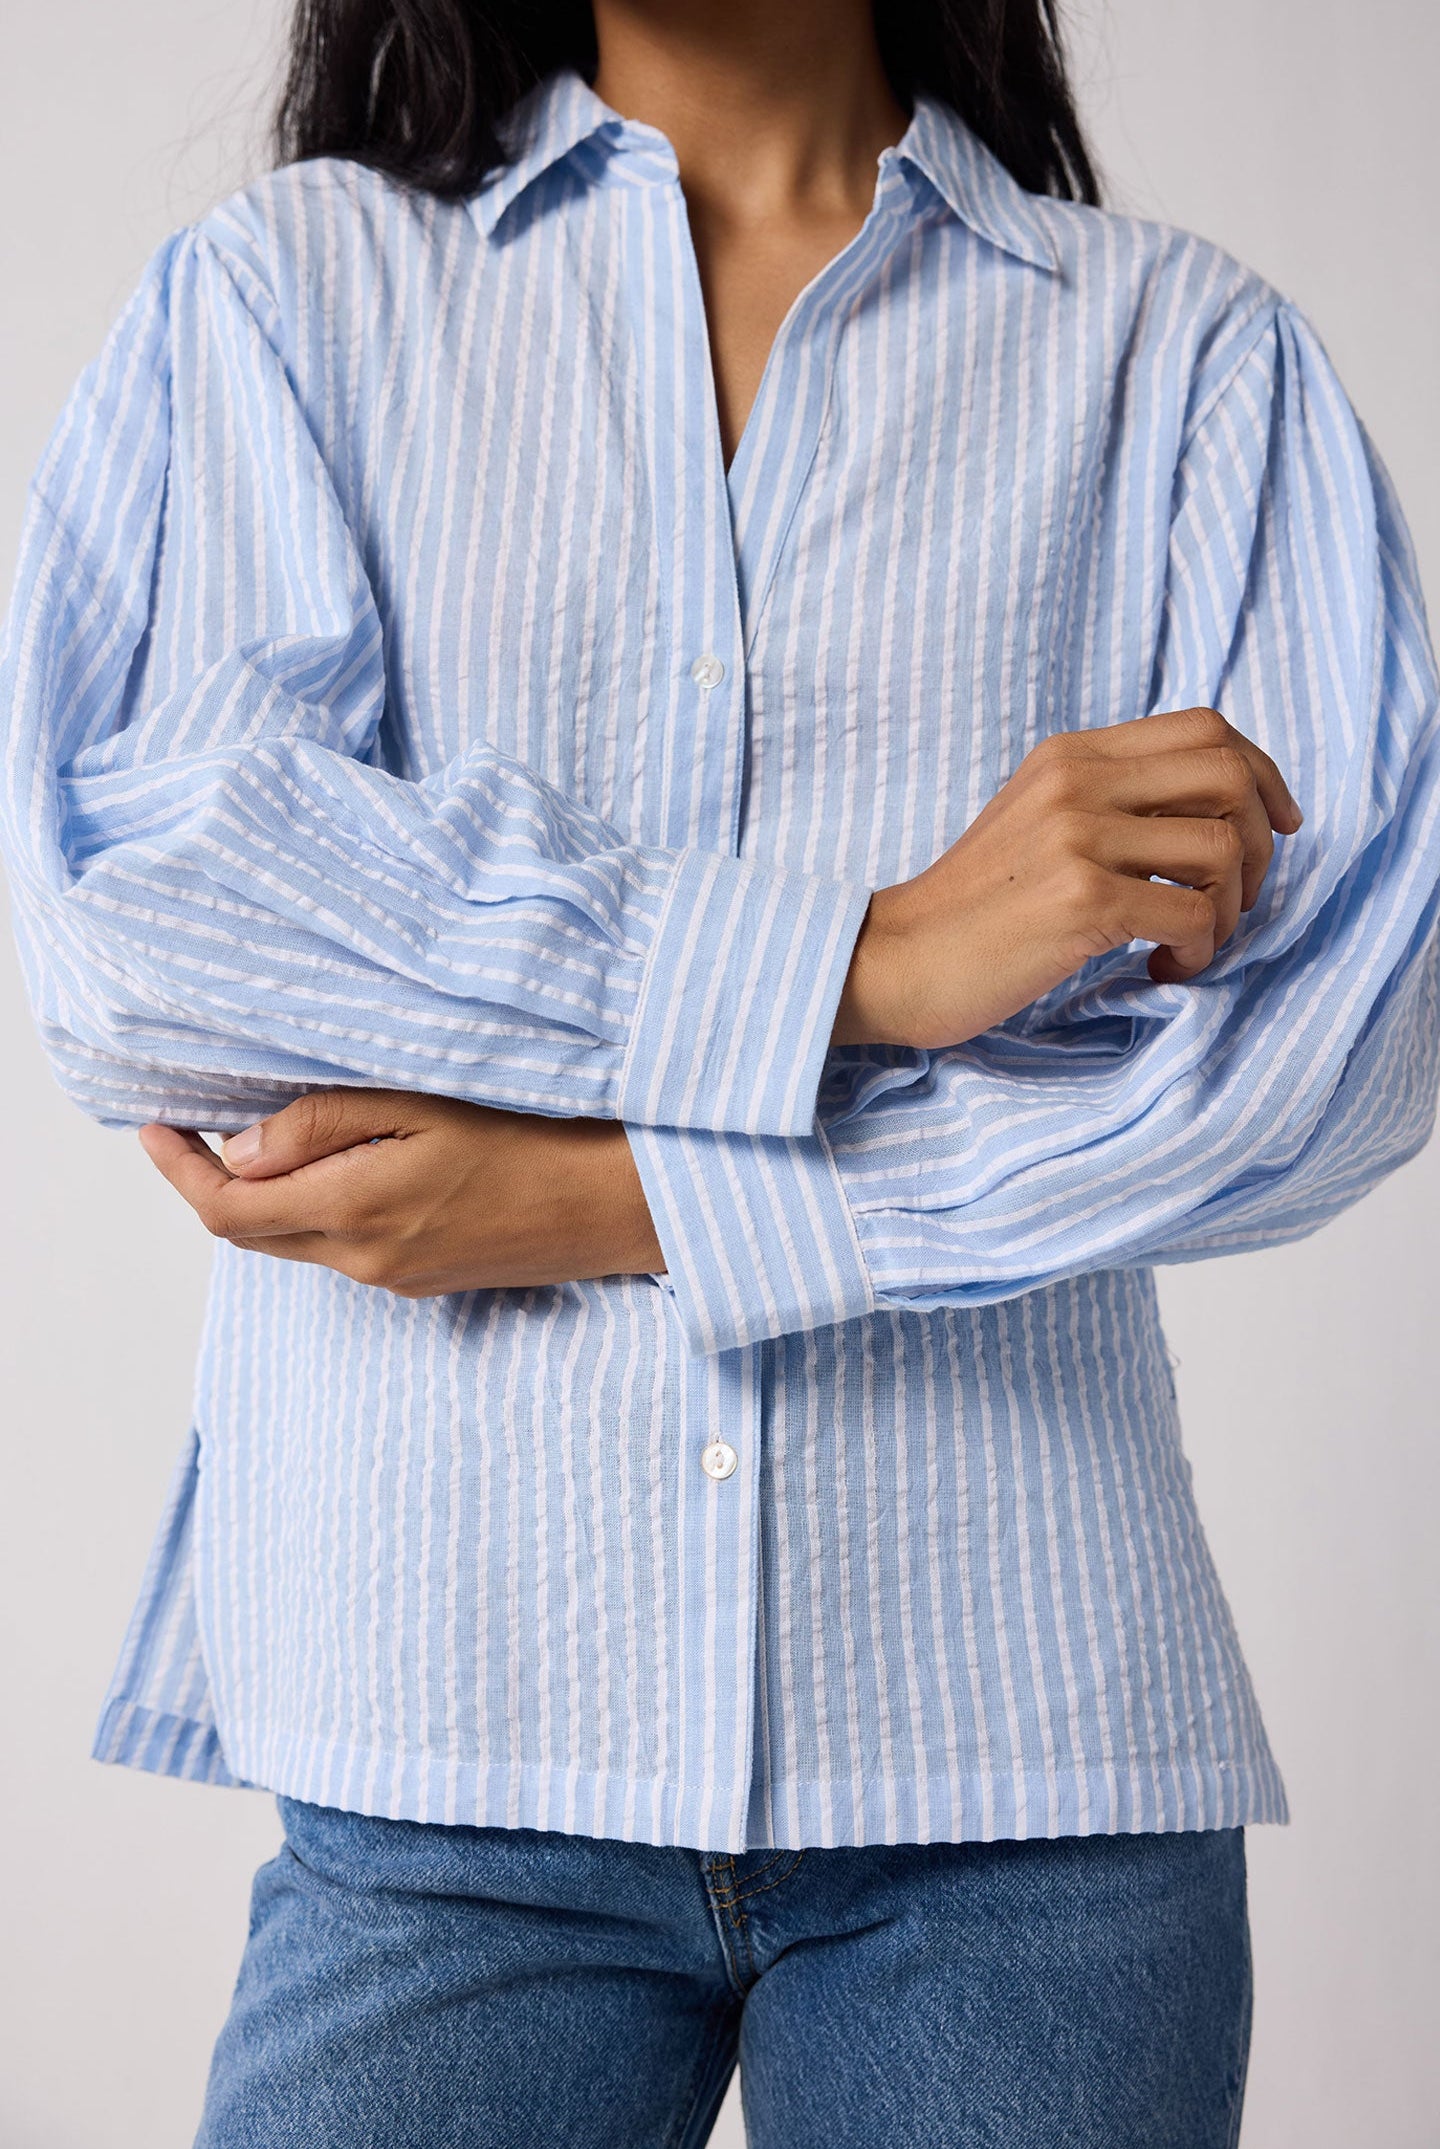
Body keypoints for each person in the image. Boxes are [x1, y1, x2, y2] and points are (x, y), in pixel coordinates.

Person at [2, 0, 1437, 2141]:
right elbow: (151, 930)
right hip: (436, 1771)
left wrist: (610, 1196)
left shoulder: (1184, 365)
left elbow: (1339, 1045)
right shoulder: (287, 304)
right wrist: (872, 959)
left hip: (1024, 1784)